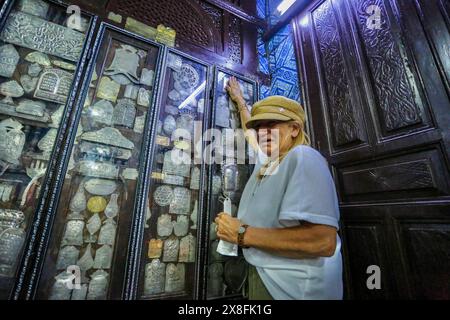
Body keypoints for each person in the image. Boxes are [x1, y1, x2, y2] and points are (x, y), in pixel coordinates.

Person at [214, 77, 343, 300]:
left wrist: (242, 233)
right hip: (268, 277)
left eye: (271, 124)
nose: (263, 132)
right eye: (260, 126)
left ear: (294, 128)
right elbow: (249, 131)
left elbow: (323, 241)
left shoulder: (303, 157)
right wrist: (240, 100)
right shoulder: (268, 160)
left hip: (295, 289)